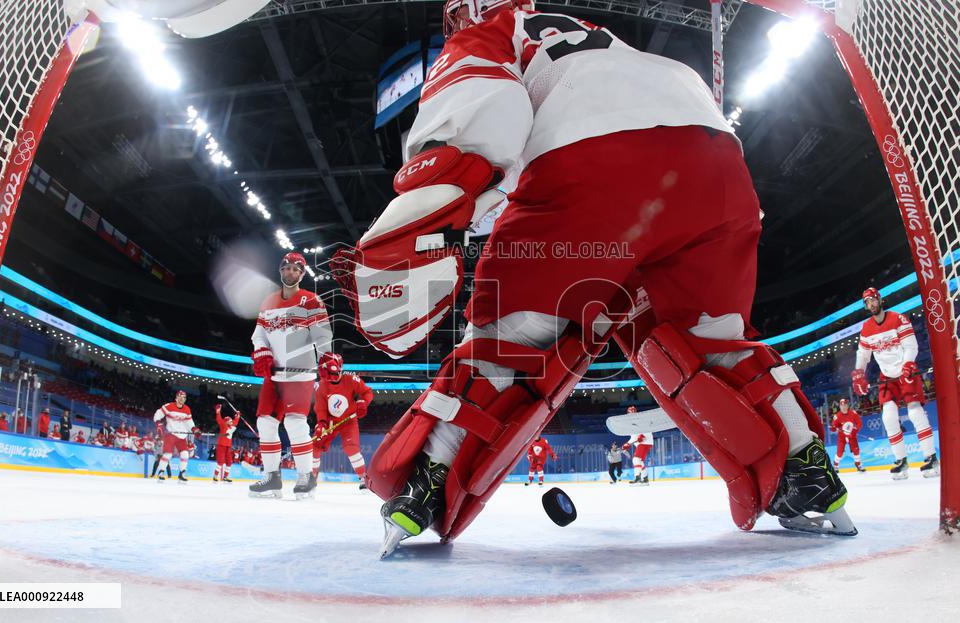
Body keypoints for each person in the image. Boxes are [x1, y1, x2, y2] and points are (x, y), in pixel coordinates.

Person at [333, 0, 854, 556]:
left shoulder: (495, 28)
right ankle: (808, 478)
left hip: (596, 169)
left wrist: (435, 202)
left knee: (509, 348)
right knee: (712, 344)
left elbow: (476, 99)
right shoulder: (601, 41)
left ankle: (423, 491)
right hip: (717, 164)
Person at [248, 252, 333, 500]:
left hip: (301, 373)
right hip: (273, 375)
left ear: (302, 274)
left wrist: (326, 358)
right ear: (281, 271)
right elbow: (259, 334)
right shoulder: (268, 302)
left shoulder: (311, 300)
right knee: (265, 423)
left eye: (296, 269)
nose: (291, 273)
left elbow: (322, 335)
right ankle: (272, 478)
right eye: (287, 268)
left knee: (295, 423)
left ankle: (306, 478)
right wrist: (261, 351)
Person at [852, 287, 939, 479]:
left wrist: (908, 364)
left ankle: (931, 458)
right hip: (887, 377)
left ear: (880, 300)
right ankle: (901, 461)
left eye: (873, 300)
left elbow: (911, 345)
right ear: (866, 306)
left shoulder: (898, 319)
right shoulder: (866, 328)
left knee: (915, 412)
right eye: (867, 302)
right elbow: (863, 355)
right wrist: (858, 373)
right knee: (888, 417)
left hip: (906, 372)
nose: (871, 304)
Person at [311, 353, 374, 490]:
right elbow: (321, 408)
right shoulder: (320, 386)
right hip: (330, 422)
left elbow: (367, 392)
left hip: (349, 421)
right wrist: (321, 423)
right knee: (315, 445)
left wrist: (363, 402)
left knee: (351, 448)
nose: (322, 375)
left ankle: (363, 477)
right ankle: (312, 477)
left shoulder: (352, 380)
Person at [152, 390, 195, 483]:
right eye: (180, 397)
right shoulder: (169, 406)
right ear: (176, 398)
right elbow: (158, 414)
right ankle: (161, 472)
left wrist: (194, 429)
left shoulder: (187, 409)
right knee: (168, 454)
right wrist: (158, 424)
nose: (181, 399)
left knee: (185, 454)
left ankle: (182, 474)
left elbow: (189, 422)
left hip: (182, 436)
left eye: (183, 398)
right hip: (170, 434)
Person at [830, 398, 865, 472]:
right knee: (840, 452)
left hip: (852, 435)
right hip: (842, 436)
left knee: (856, 450)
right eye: (841, 405)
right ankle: (835, 465)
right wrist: (833, 428)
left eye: (845, 405)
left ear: (847, 405)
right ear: (840, 406)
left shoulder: (853, 413)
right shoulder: (837, 416)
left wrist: (854, 431)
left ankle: (858, 464)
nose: (843, 407)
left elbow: (859, 423)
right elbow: (833, 426)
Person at [213, 404, 240, 483]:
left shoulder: (232, 426)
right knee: (220, 462)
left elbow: (235, 421)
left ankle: (225, 477)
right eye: (230, 421)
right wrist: (218, 412)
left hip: (228, 446)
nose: (232, 422)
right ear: (226, 422)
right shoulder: (223, 425)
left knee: (229, 462)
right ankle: (215, 476)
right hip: (221, 446)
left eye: (231, 421)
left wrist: (238, 415)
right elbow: (219, 419)